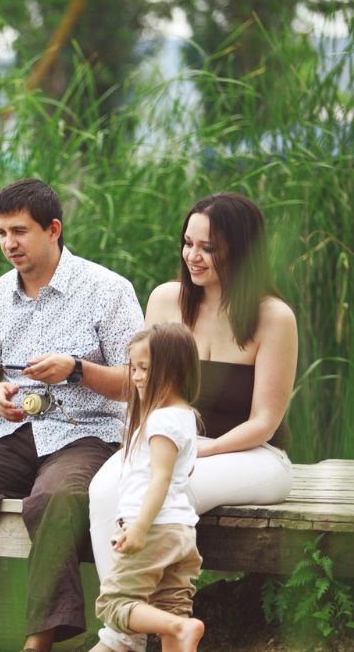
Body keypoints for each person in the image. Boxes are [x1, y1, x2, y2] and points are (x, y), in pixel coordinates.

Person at [0, 178, 144, 652]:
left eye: (19, 231)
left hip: (90, 432)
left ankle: (37, 643)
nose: (8, 243)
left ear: (53, 228)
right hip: (14, 431)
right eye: (0, 233)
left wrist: (76, 370)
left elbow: (138, 382)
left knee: (55, 498)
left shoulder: (107, 290)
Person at [88, 192, 296, 651]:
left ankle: (119, 639)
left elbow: (264, 421)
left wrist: (200, 449)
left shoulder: (273, 317)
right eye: (188, 243)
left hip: (252, 454)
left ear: (240, 250)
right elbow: (142, 389)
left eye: (209, 248)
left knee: (167, 491)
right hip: (169, 444)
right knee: (105, 489)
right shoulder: (166, 300)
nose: (193, 257)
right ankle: (143, 629)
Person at [93, 324, 206, 652]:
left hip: (155, 528)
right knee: (172, 607)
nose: (136, 377)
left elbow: (161, 478)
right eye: (134, 368)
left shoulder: (159, 420)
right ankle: (179, 626)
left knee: (113, 604)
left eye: (144, 369)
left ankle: (179, 626)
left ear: (170, 371)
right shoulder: (186, 417)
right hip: (182, 531)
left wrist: (139, 528)